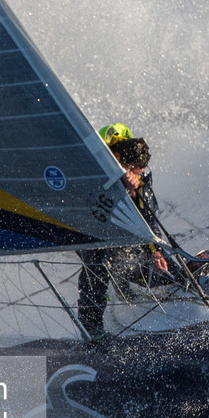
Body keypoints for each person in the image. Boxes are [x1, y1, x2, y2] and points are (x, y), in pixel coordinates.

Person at [76, 124, 177, 341]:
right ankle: (90, 326)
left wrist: (156, 250)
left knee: (142, 254)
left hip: (117, 223)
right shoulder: (94, 155)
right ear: (118, 157)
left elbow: (148, 215)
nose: (134, 176)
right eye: (132, 170)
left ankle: (182, 275)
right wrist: (118, 181)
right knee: (100, 261)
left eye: (137, 172)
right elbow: (84, 192)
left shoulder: (132, 157)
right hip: (88, 223)